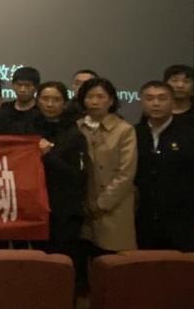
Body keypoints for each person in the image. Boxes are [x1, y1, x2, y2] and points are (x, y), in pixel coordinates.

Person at [134, 80, 194, 252]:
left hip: (182, 218)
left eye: (162, 98)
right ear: (141, 102)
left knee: (181, 265)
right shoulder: (134, 134)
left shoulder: (192, 135)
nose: (156, 103)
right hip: (143, 218)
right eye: (149, 98)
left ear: (172, 102)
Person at [77, 77, 137, 255]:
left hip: (114, 206)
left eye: (101, 97)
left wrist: (102, 203)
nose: (95, 101)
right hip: (84, 206)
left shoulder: (124, 129)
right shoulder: (77, 127)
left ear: (111, 101)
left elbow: (126, 173)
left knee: (112, 260)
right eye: (90, 97)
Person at [29, 82, 86, 261]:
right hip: (36, 206)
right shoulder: (29, 128)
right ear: (37, 101)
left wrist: (48, 155)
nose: (50, 104)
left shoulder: (75, 133)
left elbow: (76, 175)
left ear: (65, 103)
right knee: (39, 260)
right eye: (45, 99)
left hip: (65, 209)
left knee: (63, 259)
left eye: (56, 100)